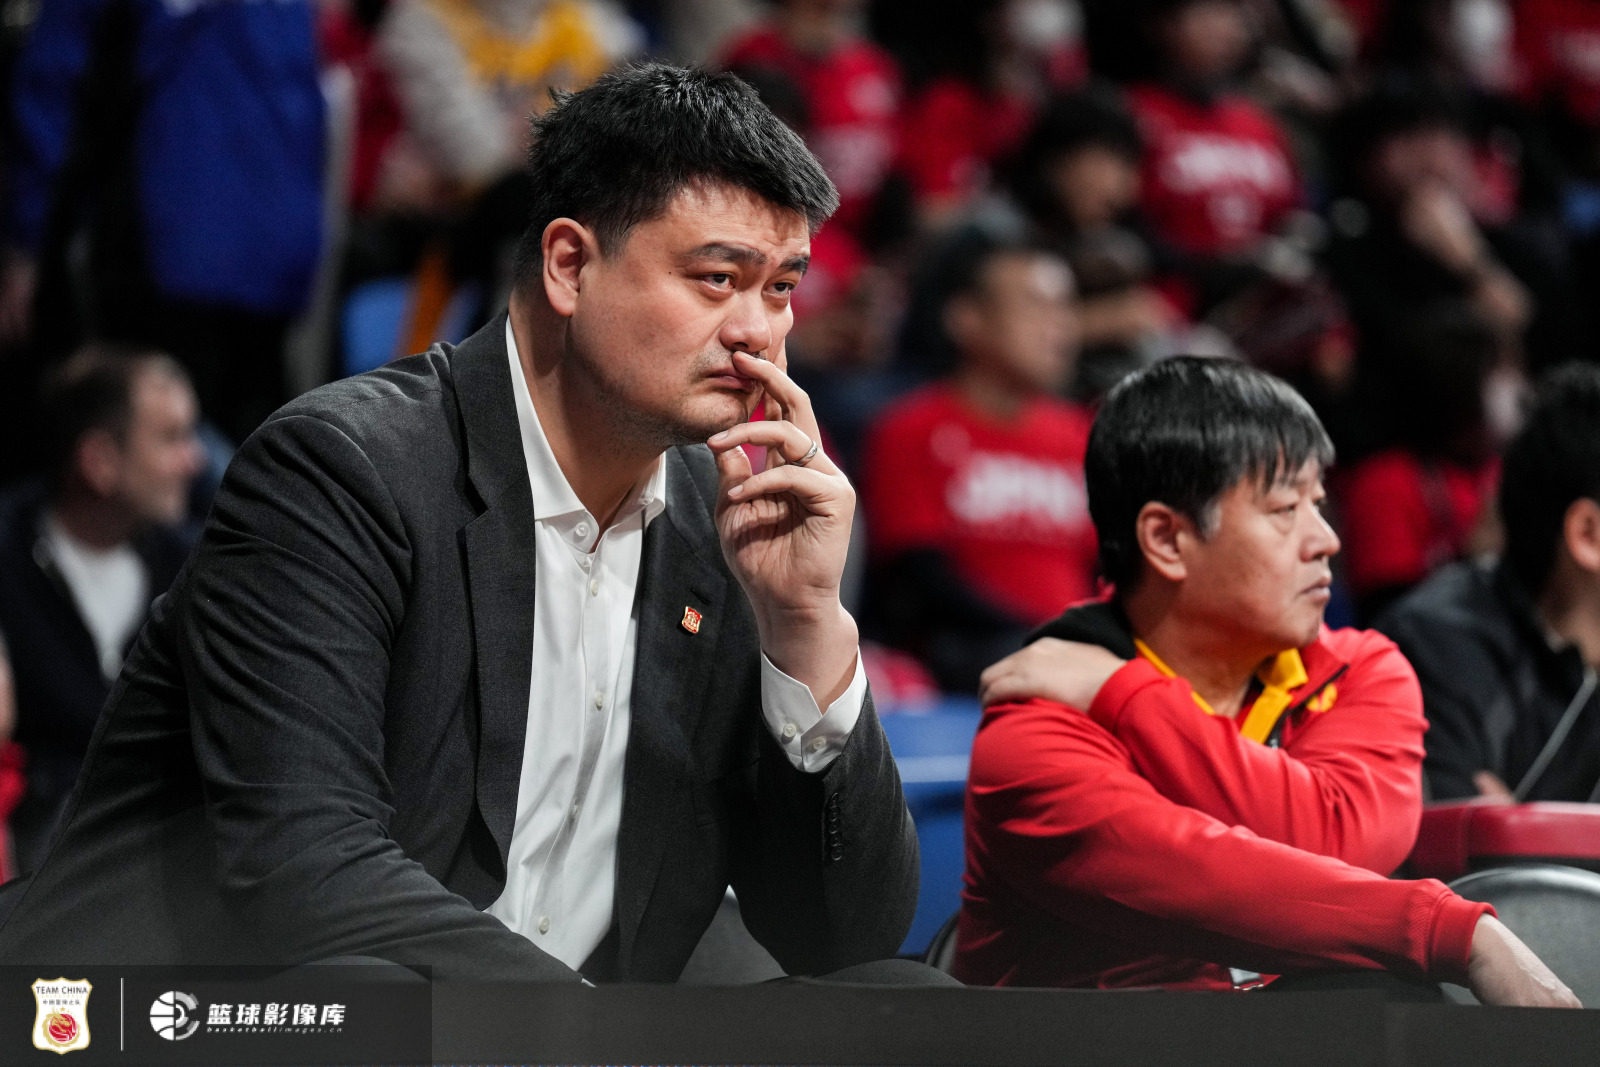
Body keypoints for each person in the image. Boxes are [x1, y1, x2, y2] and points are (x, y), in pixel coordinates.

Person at [0, 63, 921, 984]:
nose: (759, 331)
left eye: (781, 288)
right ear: (569, 265)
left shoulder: (727, 522)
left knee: (901, 992)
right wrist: (597, 1035)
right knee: (372, 991)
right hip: (199, 1014)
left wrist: (805, 627)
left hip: (524, 1027)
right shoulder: (341, 470)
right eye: (718, 278)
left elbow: (845, 940)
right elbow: (305, 864)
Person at [953, 355, 1578, 1006]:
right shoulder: (1035, 724)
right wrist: (1453, 931)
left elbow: (1339, 840)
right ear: (1166, 539)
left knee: (1372, 997)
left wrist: (1127, 695)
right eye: (1284, 509)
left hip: (1275, 1041)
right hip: (1088, 1046)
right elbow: (1207, 877)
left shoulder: (1361, 670)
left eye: (1319, 503)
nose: (1327, 539)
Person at [1, 0, 326, 448]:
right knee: (243, 453)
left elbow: (52, 83)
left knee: (156, 451)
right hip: (271, 249)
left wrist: (24, 242)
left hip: (168, 247)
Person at [862, 237, 1096, 694]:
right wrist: (1042, 637)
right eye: (1035, 306)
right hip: (971, 656)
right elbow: (919, 580)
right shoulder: (910, 429)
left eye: (1065, 307)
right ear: (967, 319)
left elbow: (1106, 569)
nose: (1060, 326)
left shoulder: (1081, 434)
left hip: (1076, 653)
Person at [0, 344, 201, 873]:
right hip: (35, 851)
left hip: (162, 848)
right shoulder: (7, 553)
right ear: (99, 461)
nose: (195, 460)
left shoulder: (193, 566)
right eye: (171, 438)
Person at [1377, 362, 1600, 803]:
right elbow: (1452, 842)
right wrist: (1508, 832)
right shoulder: (1433, 649)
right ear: (1588, 535)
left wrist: (1518, 828)